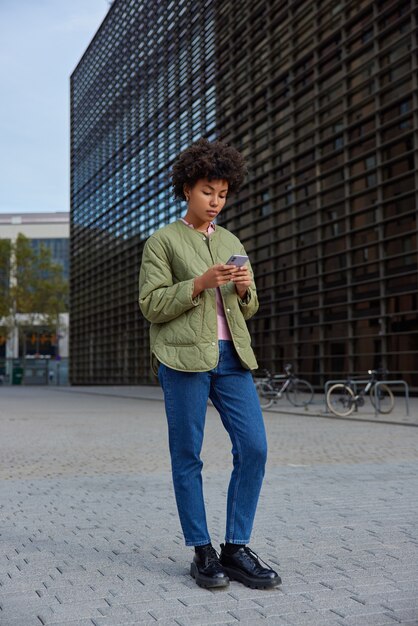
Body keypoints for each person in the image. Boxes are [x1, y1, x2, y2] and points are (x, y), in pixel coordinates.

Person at [139, 138, 281, 590]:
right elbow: (151, 305)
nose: (215, 202)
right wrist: (198, 283)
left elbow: (250, 305)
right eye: (207, 191)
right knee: (188, 455)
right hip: (182, 358)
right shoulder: (162, 242)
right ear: (185, 189)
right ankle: (202, 551)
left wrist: (242, 289)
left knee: (254, 446)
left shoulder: (232, 240)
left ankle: (235, 547)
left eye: (222, 193)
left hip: (231, 357)